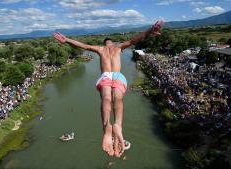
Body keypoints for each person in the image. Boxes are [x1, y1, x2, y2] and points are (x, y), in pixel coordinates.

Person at [53, 20, 164, 157]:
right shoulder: (118, 47)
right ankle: (118, 124)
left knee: (106, 98)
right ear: (111, 42)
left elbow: (83, 46)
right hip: (118, 76)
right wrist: (149, 31)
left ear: (104, 43)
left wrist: (67, 40)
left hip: (105, 76)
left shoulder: (100, 49)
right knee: (118, 99)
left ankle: (107, 126)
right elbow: (136, 39)